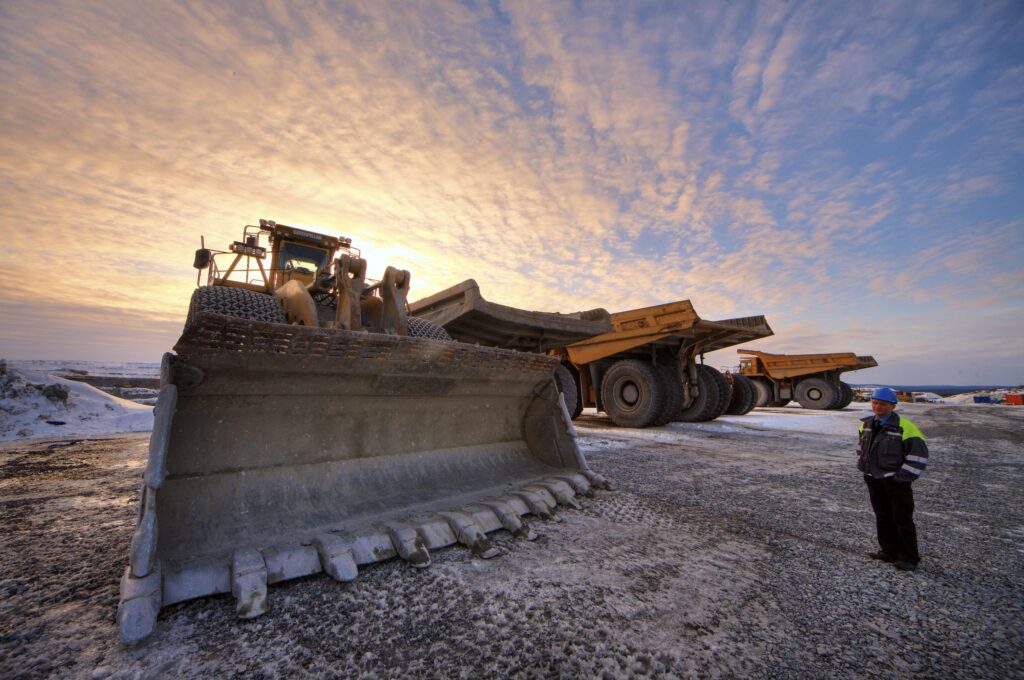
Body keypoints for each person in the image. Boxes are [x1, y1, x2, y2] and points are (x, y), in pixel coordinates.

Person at [857, 387, 929, 571]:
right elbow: (862, 448)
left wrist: (902, 478)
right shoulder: (866, 424)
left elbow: (918, 456)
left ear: (893, 406)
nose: (877, 406)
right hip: (873, 478)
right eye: (875, 402)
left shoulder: (905, 427)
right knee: (883, 516)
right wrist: (865, 466)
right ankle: (888, 551)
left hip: (895, 481)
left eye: (883, 404)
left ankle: (909, 557)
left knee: (902, 518)